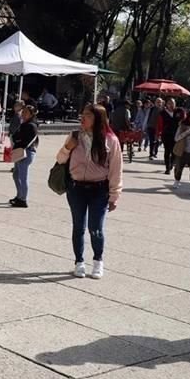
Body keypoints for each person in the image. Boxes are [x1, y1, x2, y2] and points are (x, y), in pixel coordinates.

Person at [57, 104, 123, 280]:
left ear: (98, 119)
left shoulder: (111, 140)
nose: (82, 118)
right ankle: (79, 262)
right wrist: (67, 148)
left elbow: (116, 170)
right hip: (76, 188)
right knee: (78, 226)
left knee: (96, 228)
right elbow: (60, 159)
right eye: (82, 114)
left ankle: (98, 261)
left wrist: (114, 195)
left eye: (87, 115)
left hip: (99, 190)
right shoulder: (74, 136)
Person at [9, 105, 39, 208]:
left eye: (26, 112)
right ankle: (19, 196)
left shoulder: (31, 125)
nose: (23, 114)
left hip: (25, 152)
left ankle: (23, 199)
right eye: (23, 112)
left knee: (22, 176)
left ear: (31, 114)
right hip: (20, 151)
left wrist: (17, 141)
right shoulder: (24, 124)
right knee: (16, 175)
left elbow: (26, 140)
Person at [157, 98, 180, 174]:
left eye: (173, 103)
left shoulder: (178, 112)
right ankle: (167, 168)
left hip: (176, 135)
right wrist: (158, 134)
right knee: (167, 151)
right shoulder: (163, 113)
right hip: (166, 135)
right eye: (169, 103)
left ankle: (171, 164)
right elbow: (159, 124)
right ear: (166, 104)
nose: (171, 105)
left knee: (174, 152)